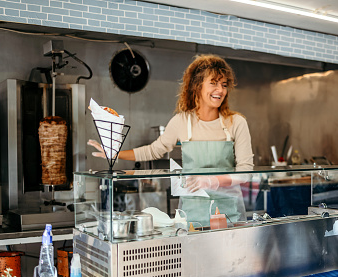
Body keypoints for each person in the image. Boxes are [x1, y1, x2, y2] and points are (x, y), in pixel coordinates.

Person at [88, 54, 254, 227]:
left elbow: (245, 172)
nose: (220, 90)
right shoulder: (181, 121)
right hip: (193, 215)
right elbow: (153, 151)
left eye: (224, 84)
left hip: (230, 213)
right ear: (197, 86)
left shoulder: (236, 122)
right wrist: (115, 154)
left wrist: (213, 181)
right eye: (213, 83)